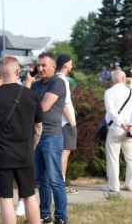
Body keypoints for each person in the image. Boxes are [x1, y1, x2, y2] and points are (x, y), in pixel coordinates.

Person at [0, 56, 43, 224]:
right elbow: (38, 128)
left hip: (0, 155)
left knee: (5, 199)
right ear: (17, 71)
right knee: (29, 196)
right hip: (25, 154)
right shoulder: (31, 96)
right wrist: (31, 147)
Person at [26, 52, 68, 224]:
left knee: (55, 178)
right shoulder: (36, 85)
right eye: (39, 65)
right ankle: (44, 214)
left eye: (44, 65)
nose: (40, 68)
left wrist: (28, 107)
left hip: (52, 136)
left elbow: (43, 107)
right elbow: (23, 101)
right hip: (37, 136)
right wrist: (28, 81)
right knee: (41, 178)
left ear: (53, 67)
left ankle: (61, 217)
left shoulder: (58, 82)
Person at [104, 71, 132, 192]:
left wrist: (121, 123)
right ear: (124, 78)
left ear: (113, 79)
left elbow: (111, 112)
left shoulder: (109, 92)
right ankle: (131, 185)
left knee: (113, 159)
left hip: (114, 128)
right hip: (129, 129)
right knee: (131, 158)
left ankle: (114, 186)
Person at [56, 55, 78, 195]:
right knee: (65, 152)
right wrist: (71, 122)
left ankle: (59, 182)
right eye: (70, 63)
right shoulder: (62, 80)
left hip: (61, 122)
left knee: (62, 153)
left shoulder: (57, 79)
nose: (72, 66)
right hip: (65, 123)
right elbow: (63, 104)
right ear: (65, 64)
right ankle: (61, 183)